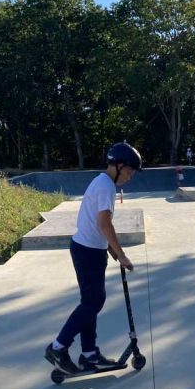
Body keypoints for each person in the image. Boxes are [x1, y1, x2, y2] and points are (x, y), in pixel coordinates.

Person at [45, 141, 142, 374]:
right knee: (93, 302)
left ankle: (89, 354)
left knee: (91, 302)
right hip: (87, 251)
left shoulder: (102, 182)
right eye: (129, 172)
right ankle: (58, 347)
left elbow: (98, 225)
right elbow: (104, 222)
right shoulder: (106, 186)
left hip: (89, 249)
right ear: (119, 166)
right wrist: (121, 253)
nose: (129, 177)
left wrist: (110, 250)